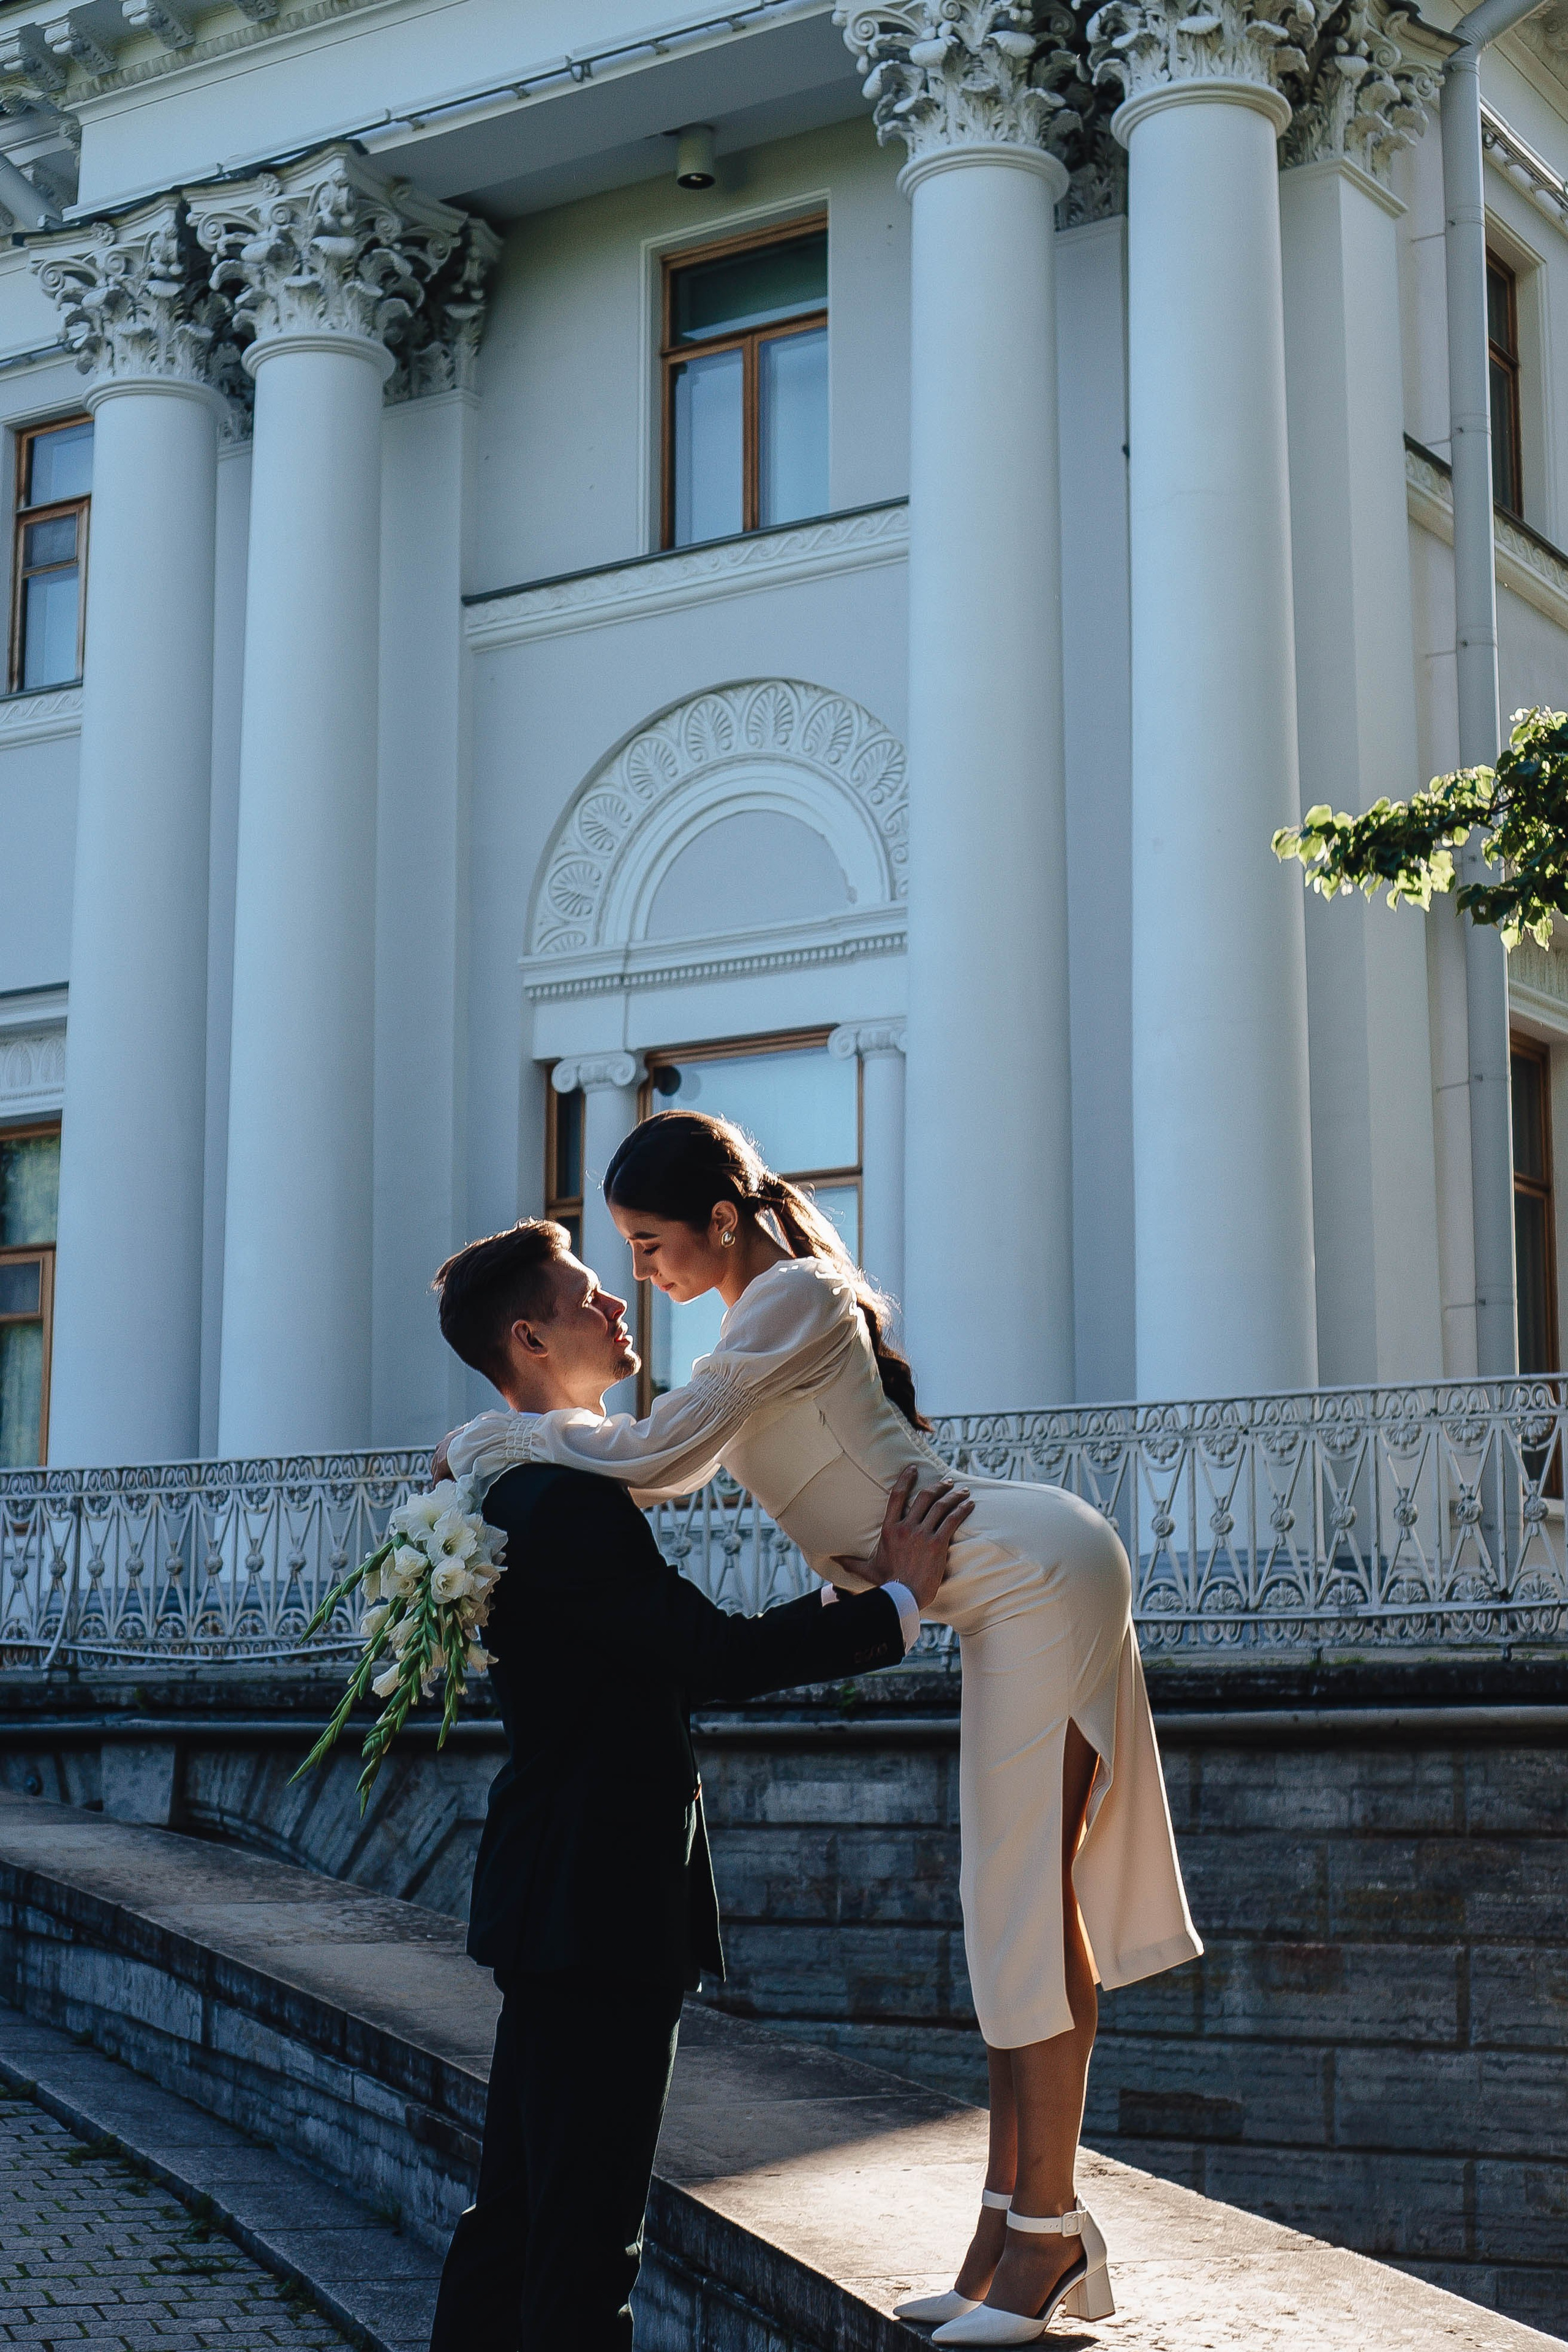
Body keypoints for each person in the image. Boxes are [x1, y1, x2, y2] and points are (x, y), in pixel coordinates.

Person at [442, 1112, 1204, 2345]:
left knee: (1019, 1907)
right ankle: (1005, 2237)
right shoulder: (759, 1315)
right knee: (997, 1908)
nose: (641, 1271)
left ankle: (1046, 2245)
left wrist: (498, 1434)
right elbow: (666, 1460)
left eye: (648, 1242)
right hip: (989, 1583)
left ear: (721, 1225)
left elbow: (661, 1458)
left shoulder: (789, 1292)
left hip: (1026, 1572)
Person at [424, 1217, 973, 2352]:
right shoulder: (563, 1501)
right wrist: (896, 1608)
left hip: (555, 1897)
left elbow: (640, 1658)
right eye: (588, 1296)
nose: (620, 1304)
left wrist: (842, 1607)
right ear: (529, 1337)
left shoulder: (511, 1482)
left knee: (522, 2211)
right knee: (585, 2236)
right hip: (599, 1909)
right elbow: (706, 1657)